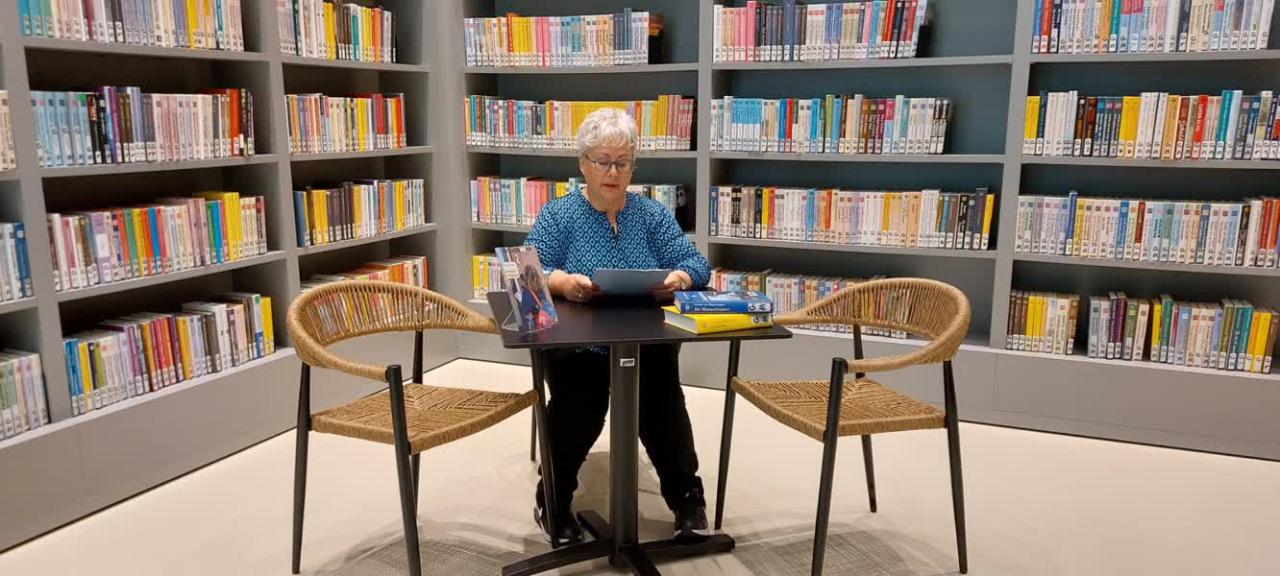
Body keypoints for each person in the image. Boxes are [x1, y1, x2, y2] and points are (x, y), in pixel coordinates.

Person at [524, 107, 711, 545]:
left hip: (644, 341)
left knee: (662, 404)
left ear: (633, 167)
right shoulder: (558, 215)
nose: (613, 172)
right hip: (578, 344)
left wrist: (678, 277)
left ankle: (687, 498)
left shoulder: (650, 214)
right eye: (603, 161)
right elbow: (530, 273)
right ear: (583, 164)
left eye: (623, 162)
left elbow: (696, 264)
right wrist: (563, 283)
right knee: (580, 404)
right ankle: (552, 499)